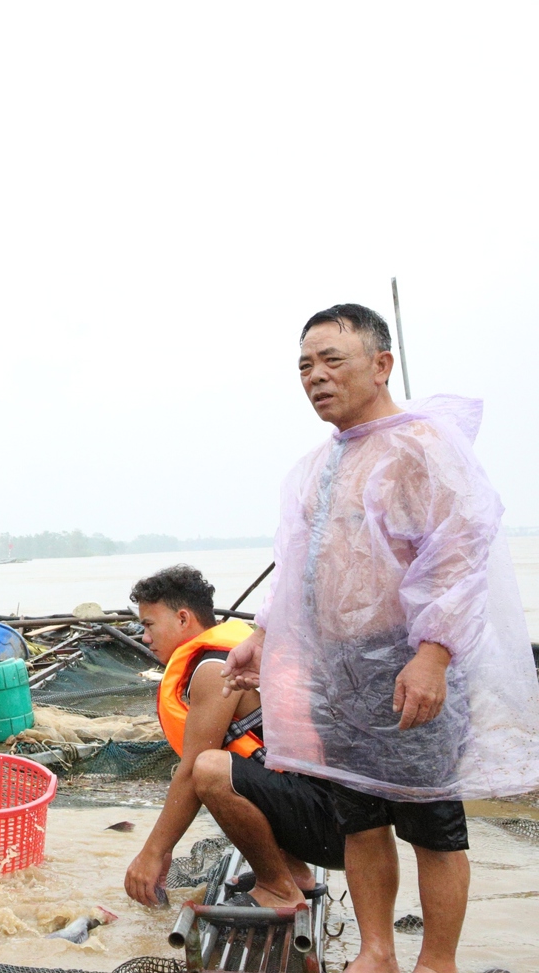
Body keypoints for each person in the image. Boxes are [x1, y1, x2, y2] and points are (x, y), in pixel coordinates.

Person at [222, 303, 539, 973]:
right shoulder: (317, 466)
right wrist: (264, 637)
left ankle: (438, 961)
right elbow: (300, 565)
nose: (315, 376)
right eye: (304, 365)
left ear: (382, 364)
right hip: (338, 669)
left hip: (406, 659)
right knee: (358, 815)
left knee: (432, 821)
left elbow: (458, 555)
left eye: (332, 360)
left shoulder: (420, 445)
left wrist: (433, 654)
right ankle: (376, 952)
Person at [122, 565, 343, 911]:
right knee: (229, 766)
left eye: (149, 625)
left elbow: (192, 772)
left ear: (183, 619)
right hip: (329, 816)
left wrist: (152, 853)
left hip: (335, 826)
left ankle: (278, 890)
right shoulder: (231, 648)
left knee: (209, 769)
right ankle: (293, 874)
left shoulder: (214, 668)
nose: (144, 637)